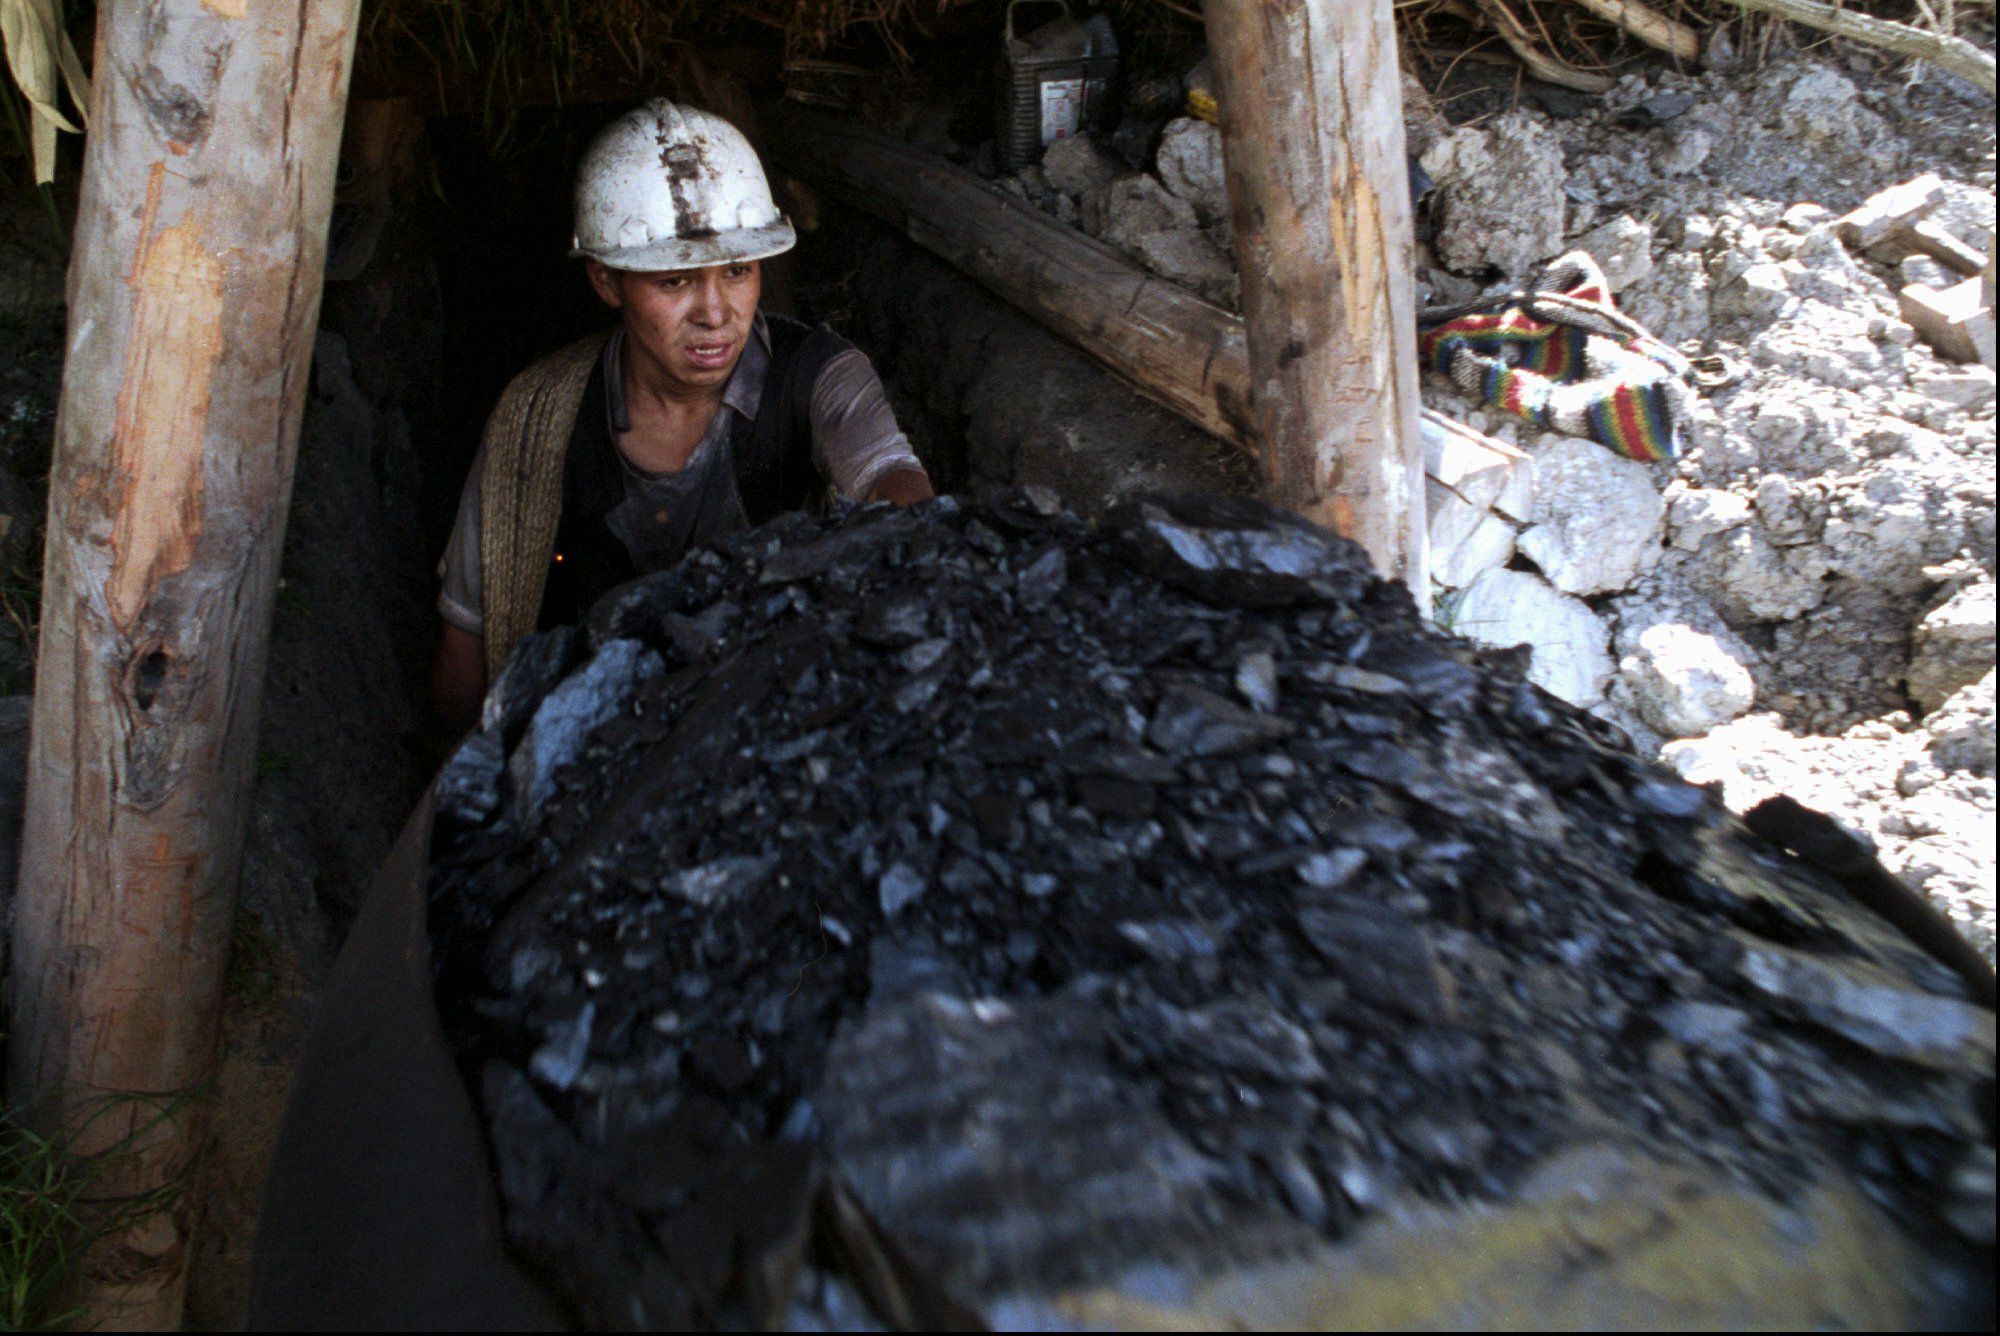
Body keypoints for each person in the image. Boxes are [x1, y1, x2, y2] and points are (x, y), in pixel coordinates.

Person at [428, 99, 933, 734]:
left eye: (738, 271)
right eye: (675, 282)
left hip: (780, 716)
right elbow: (468, 640)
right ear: (607, 282)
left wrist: (918, 539)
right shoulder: (537, 418)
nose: (716, 312)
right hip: (596, 735)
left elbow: (889, 473)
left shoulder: (815, 376)